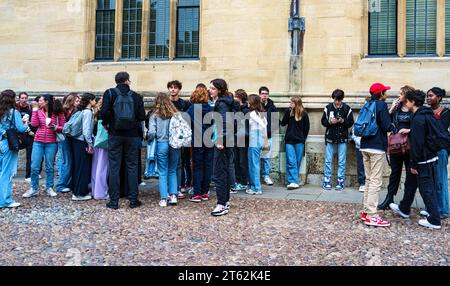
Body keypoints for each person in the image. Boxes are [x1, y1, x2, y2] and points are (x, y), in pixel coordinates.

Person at [389, 89, 442, 229]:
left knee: (426, 189)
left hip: (423, 159)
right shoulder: (426, 113)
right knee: (421, 185)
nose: (405, 103)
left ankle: (434, 220)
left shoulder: (418, 118)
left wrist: (413, 163)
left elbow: (417, 144)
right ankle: (404, 208)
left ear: (412, 102)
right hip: (430, 156)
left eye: (407, 101)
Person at [100, 72, 146, 210]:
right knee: (132, 167)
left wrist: (108, 124)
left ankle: (114, 201)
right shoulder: (136, 96)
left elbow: (104, 113)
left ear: (116, 81)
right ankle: (133, 200)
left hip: (115, 134)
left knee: (114, 167)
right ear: (127, 81)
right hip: (132, 135)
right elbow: (141, 116)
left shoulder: (109, 93)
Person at [359, 83, 395, 227]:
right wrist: (394, 126)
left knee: (369, 180)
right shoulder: (381, 105)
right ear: (381, 94)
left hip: (364, 145)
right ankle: (372, 215)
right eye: (385, 92)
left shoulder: (368, 104)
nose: (386, 94)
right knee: (375, 181)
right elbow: (386, 126)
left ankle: (366, 211)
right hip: (376, 147)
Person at [378, 86, 417, 209]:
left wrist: (409, 130)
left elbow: (421, 125)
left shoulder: (414, 109)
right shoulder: (397, 108)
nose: (398, 96)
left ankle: (406, 202)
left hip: (410, 146)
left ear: (407, 95)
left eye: (401, 93)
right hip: (396, 145)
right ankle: (389, 199)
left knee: (410, 175)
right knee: (394, 173)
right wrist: (390, 110)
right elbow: (386, 124)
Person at [23, 94, 65, 198]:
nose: (39, 101)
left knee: (50, 166)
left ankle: (49, 188)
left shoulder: (57, 112)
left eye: (41, 100)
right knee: (34, 166)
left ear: (46, 101)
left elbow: (63, 126)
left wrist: (56, 127)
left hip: (52, 142)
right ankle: (34, 188)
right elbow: (34, 124)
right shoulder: (38, 110)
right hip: (38, 141)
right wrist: (35, 110)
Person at [147, 93, 180, 207]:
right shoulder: (175, 114)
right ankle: (173, 195)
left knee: (162, 171)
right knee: (172, 170)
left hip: (161, 144)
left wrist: (149, 138)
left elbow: (151, 132)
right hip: (174, 144)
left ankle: (163, 198)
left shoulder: (154, 116)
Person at [0, 90, 29, 208]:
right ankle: (5, 201)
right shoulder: (14, 112)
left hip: (1, 142)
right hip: (9, 144)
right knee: (6, 173)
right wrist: (26, 123)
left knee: (1, 171)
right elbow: (21, 129)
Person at [320, 89, 354, 191]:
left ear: (342, 99)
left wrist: (342, 120)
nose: (337, 102)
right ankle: (327, 180)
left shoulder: (347, 108)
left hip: (342, 137)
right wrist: (330, 122)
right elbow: (323, 121)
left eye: (339, 100)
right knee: (328, 160)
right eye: (335, 99)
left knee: (342, 161)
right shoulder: (328, 107)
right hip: (330, 137)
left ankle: (340, 180)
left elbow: (351, 122)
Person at [210, 79, 235, 216]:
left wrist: (220, 140)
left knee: (219, 172)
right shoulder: (225, 101)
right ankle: (224, 201)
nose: (210, 90)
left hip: (222, 142)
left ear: (219, 90)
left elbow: (224, 122)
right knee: (223, 172)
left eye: (213, 88)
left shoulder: (222, 104)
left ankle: (221, 204)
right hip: (227, 140)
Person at [424, 87, 449, 219]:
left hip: (440, 150)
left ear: (439, 97)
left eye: (431, 96)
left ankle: (443, 209)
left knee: (441, 180)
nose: (428, 98)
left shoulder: (445, 112)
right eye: (427, 96)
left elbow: (440, 131)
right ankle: (433, 208)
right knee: (431, 181)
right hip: (429, 150)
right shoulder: (426, 111)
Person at [187, 86, 214, 202]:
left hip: (197, 138)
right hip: (209, 139)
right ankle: (205, 192)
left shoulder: (193, 108)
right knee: (208, 166)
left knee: (197, 166)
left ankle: (197, 193)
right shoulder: (210, 108)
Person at [167, 80, 192, 198]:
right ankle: (170, 188)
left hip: (180, 137)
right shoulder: (166, 103)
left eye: (175, 88)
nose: (173, 90)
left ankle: (179, 186)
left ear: (179, 90)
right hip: (168, 136)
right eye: (171, 87)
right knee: (169, 163)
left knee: (180, 162)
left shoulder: (184, 103)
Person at [281, 96, 310, 190]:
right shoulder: (289, 112)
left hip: (299, 141)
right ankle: (293, 181)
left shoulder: (304, 114)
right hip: (289, 140)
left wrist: (302, 138)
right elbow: (283, 123)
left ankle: (292, 181)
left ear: (296, 104)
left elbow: (306, 128)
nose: (290, 104)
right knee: (291, 161)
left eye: (292, 103)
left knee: (297, 162)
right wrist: (287, 112)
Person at [71, 93, 96, 201]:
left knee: (78, 167)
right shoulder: (88, 112)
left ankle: (77, 190)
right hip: (83, 142)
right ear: (90, 100)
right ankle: (80, 193)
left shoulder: (81, 111)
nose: (95, 101)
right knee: (82, 167)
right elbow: (86, 131)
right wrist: (90, 144)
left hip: (77, 141)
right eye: (94, 100)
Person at [55, 93, 80, 193]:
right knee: (65, 161)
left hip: (70, 138)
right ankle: (61, 184)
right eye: (77, 101)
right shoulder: (63, 112)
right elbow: (60, 125)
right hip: (63, 138)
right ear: (71, 102)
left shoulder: (76, 111)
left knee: (68, 161)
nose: (79, 102)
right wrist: (62, 128)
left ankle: (67, 182)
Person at [246, 94, 268, 195]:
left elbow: (263, 126)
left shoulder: (252, 114)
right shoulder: (262, 113)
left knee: (253, 164)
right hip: (259, 139)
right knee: (255, 163)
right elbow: (265, 127)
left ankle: (256, 187)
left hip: (254, 140)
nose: (247, 103)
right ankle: (254, 186)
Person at [231, 89, 250, 193]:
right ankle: (238, 180)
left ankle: (243, 181)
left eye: (236, 96)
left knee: (242, 160)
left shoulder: (246, 110)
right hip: (236, 136)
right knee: (236, 160)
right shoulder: (235, 109)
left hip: (243, 137)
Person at [91, 98, 109, 200]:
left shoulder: (96, 113)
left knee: (96, 166)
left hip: (96, 141)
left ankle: (95, 190)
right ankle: (101, 192)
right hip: (104, 142)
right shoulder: (105, 114)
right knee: (103, 167)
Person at [259, 86, 277, 186]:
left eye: (266, 93)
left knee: (266, 157)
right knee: (256, 157)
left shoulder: (272, 107)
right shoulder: (257, 106)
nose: (264, 95)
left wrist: (270, 131)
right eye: (263, 93)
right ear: (259, 94)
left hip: (268, 136)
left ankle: (266, 176)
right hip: (257, 136)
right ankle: (256, 176)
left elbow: (275, 121)